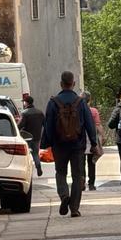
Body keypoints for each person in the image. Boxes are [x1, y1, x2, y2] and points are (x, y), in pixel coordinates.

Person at [42, 71, 99, 217]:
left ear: (61, 84)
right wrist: (93, 143)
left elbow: (48, 124)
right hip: (77, 145)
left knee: (60, 173)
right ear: (73, 84)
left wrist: (47, 142)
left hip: (59, 145)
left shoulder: (53, 102)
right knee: (77, 176)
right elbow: (89, 124)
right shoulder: (81, 103)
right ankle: (74, 208)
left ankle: (64, 195)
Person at [19, 93, 45, 176]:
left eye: (24, 102)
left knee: (26, 154)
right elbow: (45, 124)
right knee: (35, 153)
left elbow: (20, 125)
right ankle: (38, 166)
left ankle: (26, 171)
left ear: (26, 103)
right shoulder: (40, 112)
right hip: (37, 137)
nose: (23, 103)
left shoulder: (25, 113)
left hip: (27, 137)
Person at [81, 91, 103, 191]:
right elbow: (98, 125)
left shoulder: (77, 110)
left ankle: (81, 181)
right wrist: (102, 136)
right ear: (89, 100)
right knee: (92, 162)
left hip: (80, 139)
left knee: (80, 163)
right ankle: (91, 184)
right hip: (91, 138)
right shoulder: (94, 111)